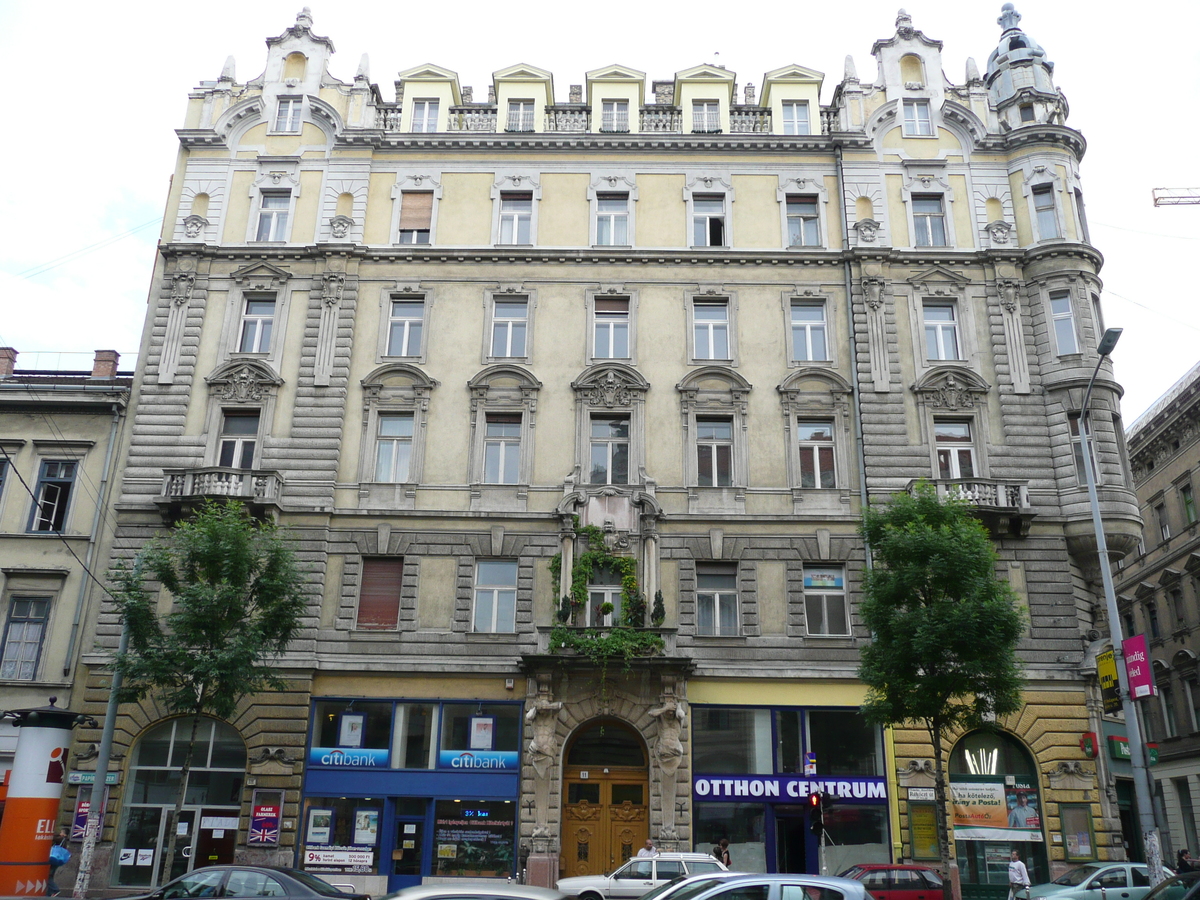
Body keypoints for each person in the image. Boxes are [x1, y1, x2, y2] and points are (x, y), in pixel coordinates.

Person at [47, 827, 70, 897]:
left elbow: (52, 837)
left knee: (48, 876)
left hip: (54, 859)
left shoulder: (61, 839)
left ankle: (55, 890)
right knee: (50, 875)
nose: (60, 833)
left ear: (64, 834)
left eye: (61, 832)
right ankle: (49, 893)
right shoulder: (64, 840)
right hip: (57, 860)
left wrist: (55, 833)